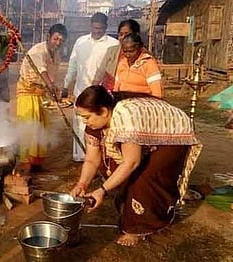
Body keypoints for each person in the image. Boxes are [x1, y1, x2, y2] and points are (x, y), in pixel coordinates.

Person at [70, 85, 202, 246]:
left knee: (143, 176)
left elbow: (132, 162)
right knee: (110, 165)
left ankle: (141, 226)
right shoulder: (95, 125)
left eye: (86, 117)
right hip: (147, 130)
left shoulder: (125, 118)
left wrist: (101, 190)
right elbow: (91, 159)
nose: (84, 122)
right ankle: (129, 209)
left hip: (173, 133)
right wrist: (82, 184)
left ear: (104, 111)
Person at [62, 12, 120, 162]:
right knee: (80, 124)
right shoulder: (81, 42)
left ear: (106, 27)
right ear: (90, 26)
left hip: (102, 94)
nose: (97, 31)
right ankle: (81, 157)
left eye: (100, 28)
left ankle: (98, 158)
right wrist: (65, 85)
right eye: (95, 28)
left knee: (99, 125)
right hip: (81, 90)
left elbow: (114, 70)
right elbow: (73, 65)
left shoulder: (113, 44)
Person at [16, 23, 67, 173]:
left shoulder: (57, 55)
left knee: (42, 127)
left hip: (41, 93)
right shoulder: (37, 51)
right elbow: (43, 72)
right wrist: (51, 87)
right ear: (48, 37)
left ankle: (36, 161)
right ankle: (25, 163)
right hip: (27, 91)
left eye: (61, 40)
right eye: (55, 39)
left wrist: (53, 88)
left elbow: (51, 77)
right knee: (29, 127)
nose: (58, 43)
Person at [114, 34, 163, 98]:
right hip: (123, 102)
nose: (128, 55)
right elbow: (116, 86)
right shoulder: (122, 62)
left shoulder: (148, 64)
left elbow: (157, 92)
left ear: (139, 48)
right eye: (125, 51)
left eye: (131, 51)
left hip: (142, 103)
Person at [102, 19, 141, 90]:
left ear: (136, 35)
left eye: (127, 34)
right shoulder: (111, 51)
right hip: (111, 92)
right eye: (121, 34)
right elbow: (100, 72)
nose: (123, 37)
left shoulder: (146, 57)